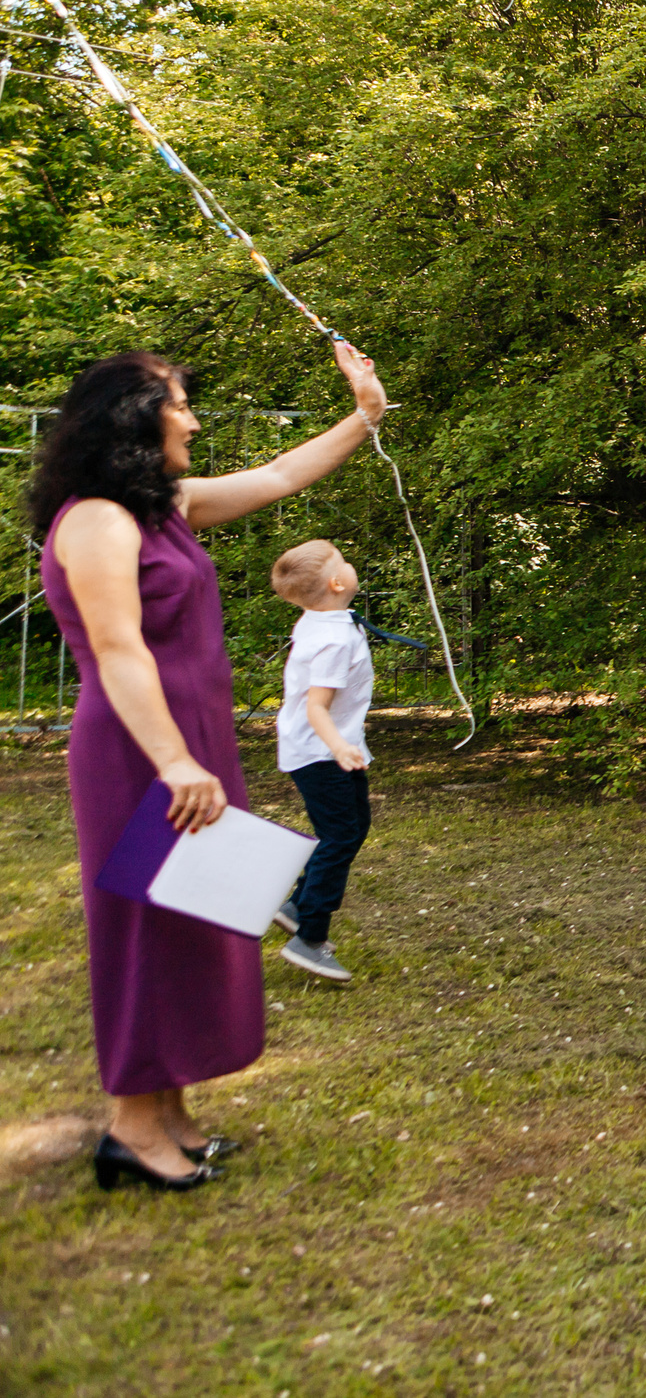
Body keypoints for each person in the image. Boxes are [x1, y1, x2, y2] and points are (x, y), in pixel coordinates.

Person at [36, 341, 389, 1190]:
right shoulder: (96, 520)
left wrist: (366, 414)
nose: (192, 418)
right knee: (143, 929)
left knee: (194, 922)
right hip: (141, 751)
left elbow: (277, 475)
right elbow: (118, 652)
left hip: (193, 744)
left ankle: (172, 1116)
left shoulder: (165, 505)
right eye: (178, 404)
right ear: (132, 417)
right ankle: (131, 1131)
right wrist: (171, 761)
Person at [266, 539, 378, 984]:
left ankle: (295, 906)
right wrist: (339, 748)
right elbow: (317, 707)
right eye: (343, 563)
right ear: (337, 582)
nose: (351, 566)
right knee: (339, 836)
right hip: (320, 751)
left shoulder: (324, 619)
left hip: (322, 746)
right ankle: (309, 937)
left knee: (351, 828)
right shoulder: (332, 638)